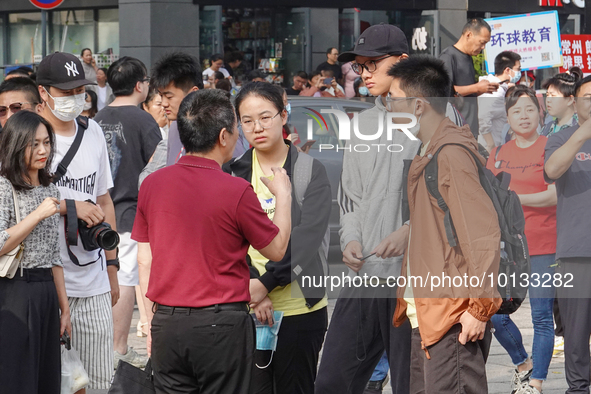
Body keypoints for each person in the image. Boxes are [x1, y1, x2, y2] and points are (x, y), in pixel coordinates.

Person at [134, 89, 292, 394]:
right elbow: (277, 248)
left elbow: (145, 259)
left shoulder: (152, 184)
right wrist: (283, 195)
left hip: (167, 321)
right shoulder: (236, 190)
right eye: (237, 127)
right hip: (221, 326)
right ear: (223, 136)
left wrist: (149, 320)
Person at [387, 55, 501, 394]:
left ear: (419, 105)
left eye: (393, 99)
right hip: (429, 313)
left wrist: (479, 309)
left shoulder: (450, 154)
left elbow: (482, 234)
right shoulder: (430, 150)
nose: (387, 106)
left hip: (453, 317)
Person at [314, 24, 416, 394]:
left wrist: (411, 230)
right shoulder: (363, 123)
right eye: (359, 66)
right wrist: (351, 238)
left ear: (403, 62)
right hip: (365, 276)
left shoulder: (438, 118)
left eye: (373, 63)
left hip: (413, 280)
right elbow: (350, 197)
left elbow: (451, 198)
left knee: (409, 384)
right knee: (331, 381)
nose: (366, 73)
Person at [224, 82, 331, 394]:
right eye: (247, 120)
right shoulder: (235, 172)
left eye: (265, 117)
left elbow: (307, 240)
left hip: (301, 309)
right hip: (248, 307)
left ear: (284, 116)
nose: (256, 127)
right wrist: (254, 286)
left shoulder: (310, 170)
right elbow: (229, 239)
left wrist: (265, 284)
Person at [37, 51, 119, 390]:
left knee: (98, 381)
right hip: (44, 284)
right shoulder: (31, 137)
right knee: (59, 383)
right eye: (65, 92)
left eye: (79, 91)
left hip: (94, 278)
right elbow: (21, 203)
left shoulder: (94, 131)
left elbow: (103, 200)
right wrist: (72, 205)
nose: (75, 99)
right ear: (43, 93)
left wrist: (112, 267)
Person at [485, 85, 557, 394]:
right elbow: (488, 197)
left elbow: (554, 195)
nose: (523, 116)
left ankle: (536, 384)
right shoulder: (498, 154)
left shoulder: (550, 146)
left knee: (541, 317)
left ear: (539, 113)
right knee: (496, 314)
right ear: (508, 117)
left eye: (529, 109)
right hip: (509, 250)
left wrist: (513, 198)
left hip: (543, 244)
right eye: (516, 110)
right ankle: (523, 364)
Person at [94, 56, 162, 370]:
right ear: (139, 85)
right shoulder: (143, 120)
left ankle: (112, 346)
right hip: (132, 214)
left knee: (114, 280)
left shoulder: (97, 118)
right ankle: (120, 347)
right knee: (128, 281)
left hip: (100, 215)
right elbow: (159, 169)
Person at [0, 110, 71, 394]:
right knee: (17, 378)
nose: (43, 150)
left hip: (45, 293)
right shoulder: (5, 187)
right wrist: (37, 215)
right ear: (17, 145)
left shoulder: (47, 187)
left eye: (47, 142)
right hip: (15, 290)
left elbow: (55, 256)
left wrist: (64, 308)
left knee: (46, 379)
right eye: (34, 144)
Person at [544, 75, 591, 394]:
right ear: (574, 101)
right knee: (575, 338)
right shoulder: (560, 139)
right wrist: (584, 132)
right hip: (576, 252)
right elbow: (551, 171)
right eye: (589, 97)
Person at [137, 52, 203, 188]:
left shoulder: (216, 128)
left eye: (169, 96)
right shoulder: (174, 128)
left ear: (193, 93)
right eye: (161, 96)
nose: (164, 103)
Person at [440, 18, 497, 139]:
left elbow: (463, 92)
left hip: (470, 128)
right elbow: (445, 91)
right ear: (469, 35)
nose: (483, 47)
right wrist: (476, 87)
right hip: (456, 129)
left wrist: (480, 90)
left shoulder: (468, 57)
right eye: (482, 42)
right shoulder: (448, 56)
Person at [478, 51, 521, 152]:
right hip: (491, 149)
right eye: (518, 69)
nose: (520, 72)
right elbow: (482, 117)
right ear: (507, 70)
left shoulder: (491, 84)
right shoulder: (496, 93)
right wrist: (490, 143)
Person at [540, 73, 578, 137]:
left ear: (570, 99)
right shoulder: (546, 128)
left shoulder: (580, 128)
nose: (548, 100)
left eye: (553, 96)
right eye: (547, 95)